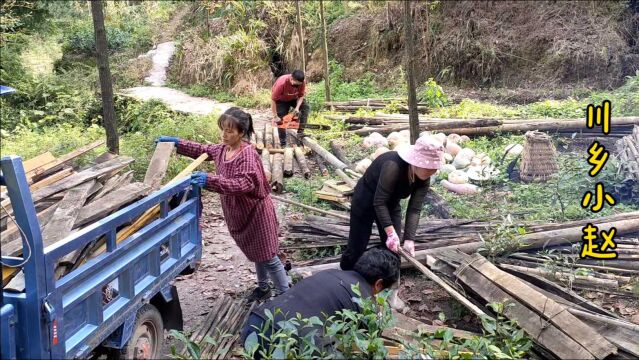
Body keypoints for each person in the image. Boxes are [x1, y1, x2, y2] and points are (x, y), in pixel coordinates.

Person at [156, 107, 288, 301]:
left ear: (241, 133)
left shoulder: (247, 155)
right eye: (223, 129)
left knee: (268, 255)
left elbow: (242, 184)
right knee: (257, 252)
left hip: (257, 213)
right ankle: (263, 287)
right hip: (240, 213)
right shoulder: (222, 149)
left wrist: (210, 180)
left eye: (229, 131)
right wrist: (177, 143)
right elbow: (201, 149)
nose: (224, 135)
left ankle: (287, 296)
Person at [240, 247, 400, 357]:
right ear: (379, 284)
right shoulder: (365, 300)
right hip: (285, 343)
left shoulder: (330, 273)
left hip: (252, 329)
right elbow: (366, 345)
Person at [340, 135, 444, 270]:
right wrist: (390, 232)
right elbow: (379, 202)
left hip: (390, 203)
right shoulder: (392, 166)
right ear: (415, 162)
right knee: (357, 247)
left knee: (394, 249)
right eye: (428, 166)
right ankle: (344, 275)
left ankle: (388, 284)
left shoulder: (424, 178)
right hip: (366, 199)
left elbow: (414, 209)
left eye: (434, 167)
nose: (431, 171)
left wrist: (409, 239)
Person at [271, 70, 309, 147]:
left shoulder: (302, 83)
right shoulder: (281, 83)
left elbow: (301, 96)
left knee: (306, 107)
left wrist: (297, 108)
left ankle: (300, 132)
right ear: (291, 78)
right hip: (281, 100)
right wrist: (275, 116)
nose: (296, 86)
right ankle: (283, 143)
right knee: (281, 119)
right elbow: (273, 100)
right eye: (295, 85)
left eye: (298, 85)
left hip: (293, 98)